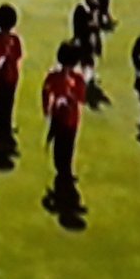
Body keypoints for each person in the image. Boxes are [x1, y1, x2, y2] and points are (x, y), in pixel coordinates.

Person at [42, 43, 87, 197]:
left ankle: (65, 170)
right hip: (60, 115)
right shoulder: (58, 75)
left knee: (68, 145)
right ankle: (62, 170)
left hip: (71, 116)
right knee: (60, 144)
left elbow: (80, 97)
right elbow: (47, 91)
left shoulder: (75, 78)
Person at [0, 5, 23, 152]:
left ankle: (3, 129)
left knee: (2, 105)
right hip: (11, 76)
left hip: (2, 77)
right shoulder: (14, 39)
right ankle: (4, 129)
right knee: (7, 103)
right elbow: (18, 55)